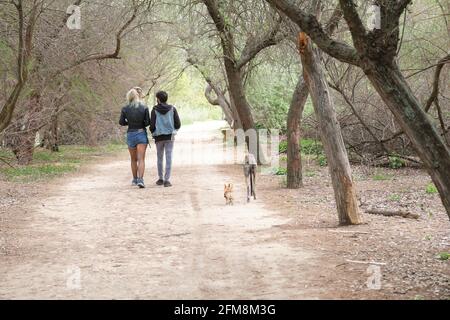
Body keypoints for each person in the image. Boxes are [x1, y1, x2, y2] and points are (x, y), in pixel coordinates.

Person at [119, 88, 150, 188]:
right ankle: (141, 180)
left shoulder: (125, 108)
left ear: (129, 97)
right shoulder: (144, 107)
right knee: (141, 159)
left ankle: (134, 179)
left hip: (131, 134)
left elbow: (121, 122)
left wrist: (130, 122)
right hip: (141, 133)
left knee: (133, 159)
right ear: (137, 96)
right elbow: (147, 122)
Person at [150, 91, 181, 187]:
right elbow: (178, 124)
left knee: (160, 157)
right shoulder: (172, 109)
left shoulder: (154, 109)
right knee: (169, 157)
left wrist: (154, 132)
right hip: (169, 137)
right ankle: (167, 180)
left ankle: (160, 178)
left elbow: (152, 125)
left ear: (158, 99)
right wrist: (173, 129)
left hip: (158, 137)